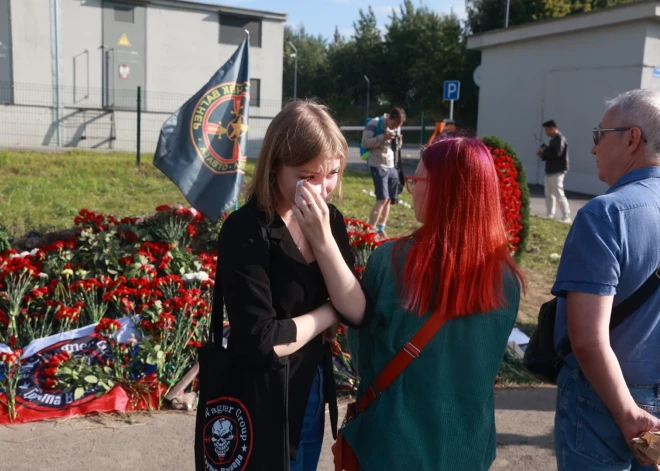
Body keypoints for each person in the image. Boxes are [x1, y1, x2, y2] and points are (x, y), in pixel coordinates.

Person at [341, 136, 524, 470]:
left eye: (416, 181)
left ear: (442, 190)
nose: (411, 189)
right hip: (468, 447)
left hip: (392, 444)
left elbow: (361, 353)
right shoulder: (507, 278)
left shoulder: (390, 261)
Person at [214, 100, 366, 471]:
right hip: (257, 396)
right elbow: (260, 342)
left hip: (309, 390)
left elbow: (358, 310)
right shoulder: (247, 229)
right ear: (275, 167)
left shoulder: (330, 220)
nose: (321, 188)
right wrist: (328, 311)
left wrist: (323, 240)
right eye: (307, 175)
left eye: (330, 173)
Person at [552, 90, 660, 471]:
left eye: (600, 134)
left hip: (606, 403)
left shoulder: (605, 214)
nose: (594, 149)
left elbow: (587, 339)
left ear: (632, 139)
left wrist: (628, 412)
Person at [362, 107, 406, 237]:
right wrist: (382, 137)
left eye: (397, 126)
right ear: (389, 118)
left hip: (391, 165)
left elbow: (396, 147)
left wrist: (399, 142)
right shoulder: (374, 123)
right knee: (382, 198)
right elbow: (365, 143)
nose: (394, 128)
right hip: (377, 164)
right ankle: (369, 229)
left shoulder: (397, 126)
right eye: (392, 125)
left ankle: (381, 228)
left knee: (389, 199)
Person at [537, 119, 571, 223]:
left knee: (559, 193)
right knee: (549, 194)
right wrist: (543, 153)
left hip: (557, 171)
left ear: (552, 128)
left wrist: (545, 151)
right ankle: (550, 214)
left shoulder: (560, 139)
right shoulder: (554, 140)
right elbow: (552, 153)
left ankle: (566, 216)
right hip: (550, 170)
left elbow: (557, 153)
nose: (546, 132)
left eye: (547, 130)